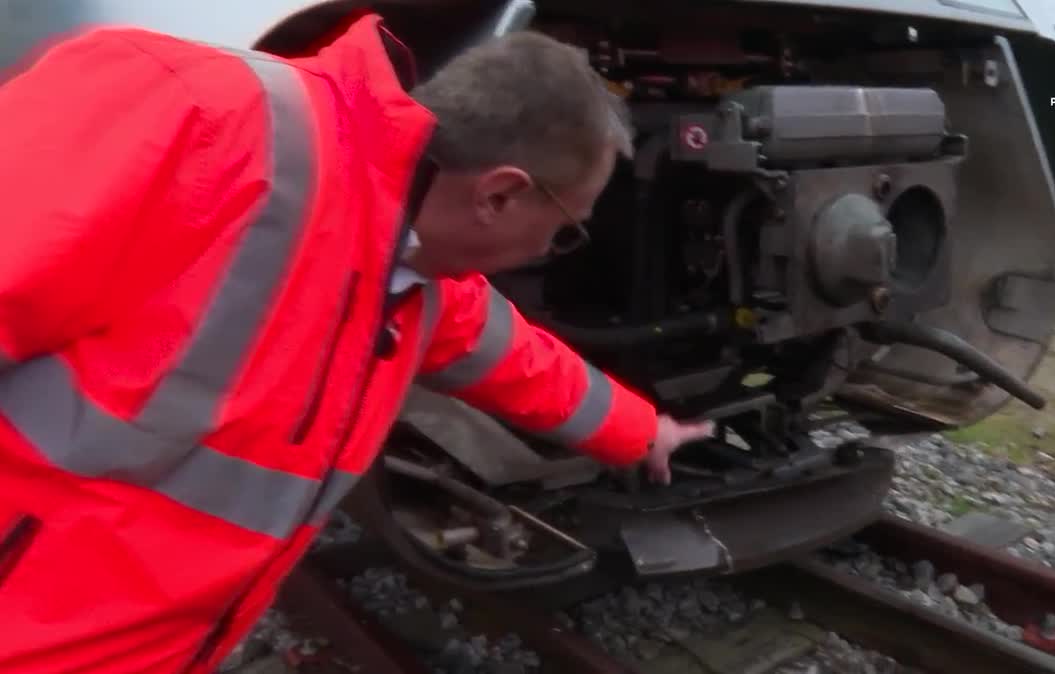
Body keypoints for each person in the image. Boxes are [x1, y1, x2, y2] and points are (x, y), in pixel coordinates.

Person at [0, 11, 713, 673]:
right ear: (499, 195)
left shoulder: (416, 267)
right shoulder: (193, 115)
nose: (552, 250)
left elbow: (518, 361)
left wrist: (641, 432)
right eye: (565, 229)